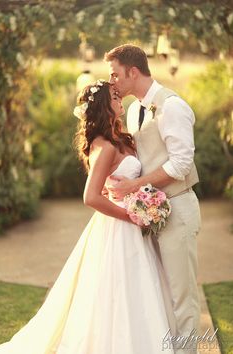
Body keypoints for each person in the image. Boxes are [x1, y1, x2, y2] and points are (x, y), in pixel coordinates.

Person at [0, 80, 176, 354]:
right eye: (115, 98)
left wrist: (144, 204)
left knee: (142, 288)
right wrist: (131, 216)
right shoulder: (104, 147)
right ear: (104, 105)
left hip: (133, 224)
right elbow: (91, 197)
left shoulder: (122, 138)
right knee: (116, 290)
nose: (121, 101)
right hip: (118, 227)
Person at [104, 44, 201, 354]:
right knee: (159, 294)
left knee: (182, 298)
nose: (112, 81)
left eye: (115, 74)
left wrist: (135, 185)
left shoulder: (172, 106)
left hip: (179, 209)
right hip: (150, 214)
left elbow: (181, 164)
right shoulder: (134, 110)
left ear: (133, 72)